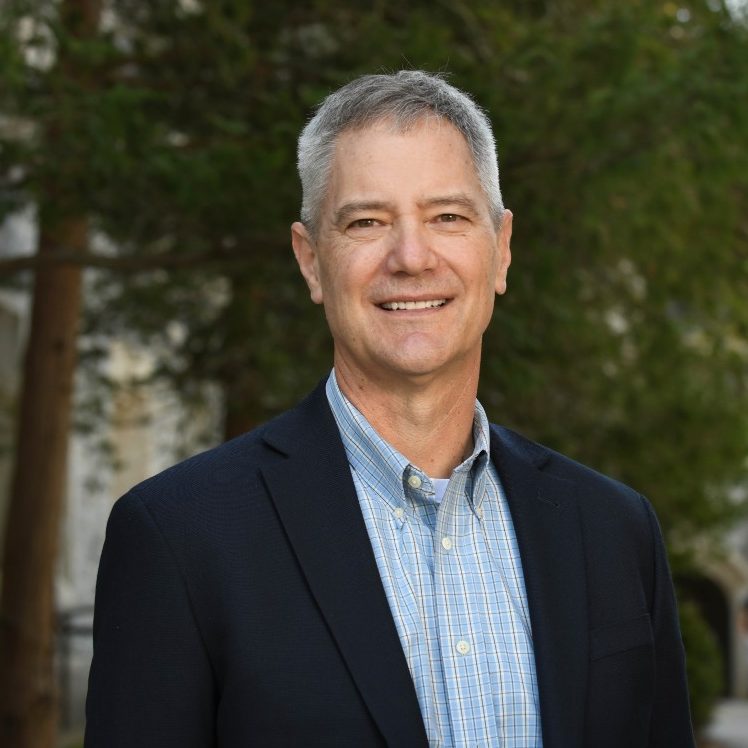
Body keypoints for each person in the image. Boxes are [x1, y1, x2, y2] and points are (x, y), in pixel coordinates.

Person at [85, 71, 695, 747]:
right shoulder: (180, 537)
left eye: (448, 217)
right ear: (311, 261)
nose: (410, 257)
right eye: (367, 222)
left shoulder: (614, 530)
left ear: (501, 249)